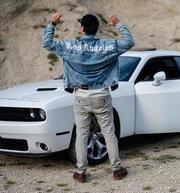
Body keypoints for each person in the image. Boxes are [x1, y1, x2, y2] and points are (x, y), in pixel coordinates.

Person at [42, 12, 135, 183]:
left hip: (81, 95)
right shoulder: (108, 45)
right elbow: (130, 42)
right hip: (102, 94)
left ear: (82, 28)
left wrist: (52, 23)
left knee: (82, 135)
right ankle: (117, 170)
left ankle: (81, 172)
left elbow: (47, 43)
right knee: (108, 133)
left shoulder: (70, 46)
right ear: (97, 29)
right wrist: (118, 23)